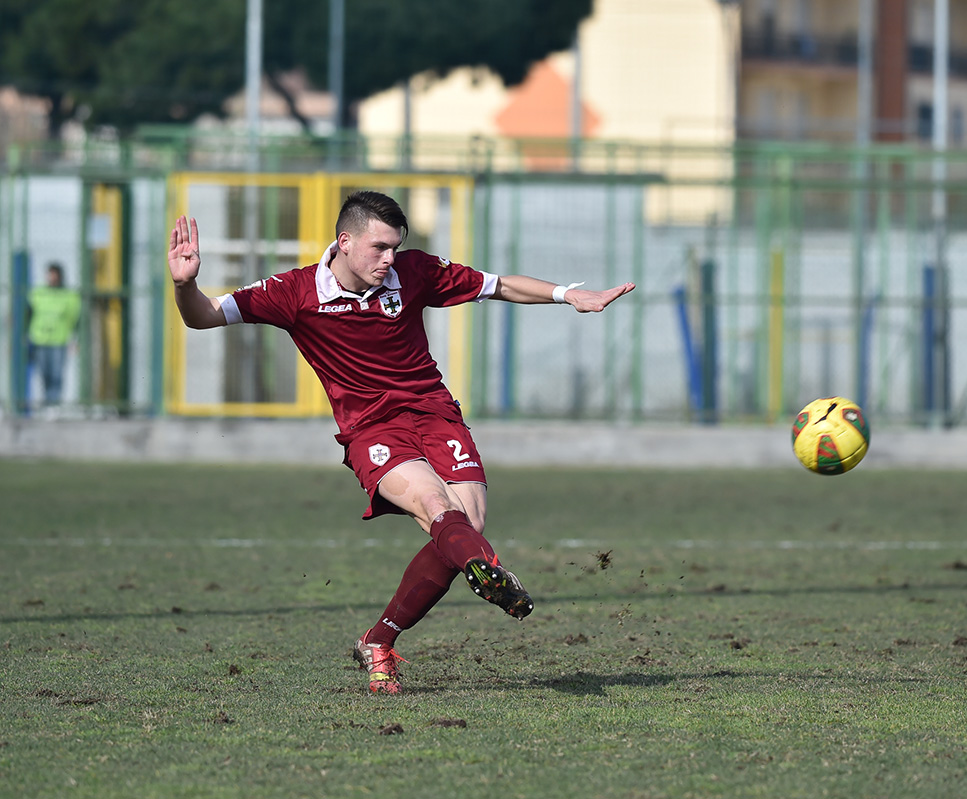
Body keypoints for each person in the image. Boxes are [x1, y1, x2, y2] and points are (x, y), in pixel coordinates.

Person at [168, 190, 635, 694]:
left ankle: (379, 639)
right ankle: (492, 572)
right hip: (372, 428)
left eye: (395, 247)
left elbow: (497, 285)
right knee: (438, 507)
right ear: (344, 242)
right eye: (379, 247)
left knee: (468, 524)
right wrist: (185, 286)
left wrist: (569, 295)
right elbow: (204, 315)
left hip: (435, 413)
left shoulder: (414, 271)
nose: (389, 259)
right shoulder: (294, 291)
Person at [27, 262, 81, 412]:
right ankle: (47, 403)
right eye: (50, 274)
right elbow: (28, 314)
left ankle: (53, 405)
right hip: (40, 340)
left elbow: (76, 319)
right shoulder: (38, 292)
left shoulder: (69, 295)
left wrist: (76, 340)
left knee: (56, 375)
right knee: (44, 374)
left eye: (54, 274)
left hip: (59, 341)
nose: (52, 278)